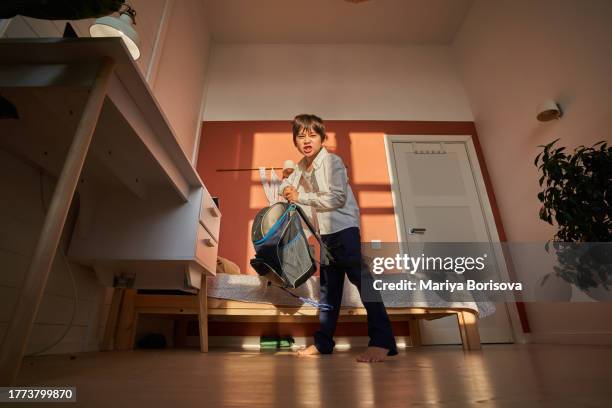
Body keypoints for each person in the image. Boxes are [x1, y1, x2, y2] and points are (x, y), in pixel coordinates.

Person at [280, 114, 398, 363]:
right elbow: (287, 185)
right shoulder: (303, 165)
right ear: (295, 141)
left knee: (364, 283)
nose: (307, 140)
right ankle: (323, 344)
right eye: (301, 136)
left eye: (312, 135)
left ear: (323, 138)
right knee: (328, 292)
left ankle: (382, 342)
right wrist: (288, 185)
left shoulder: (333, 161)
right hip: (325, 235)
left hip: (344, 229)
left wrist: (299, 196)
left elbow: (337, 198)